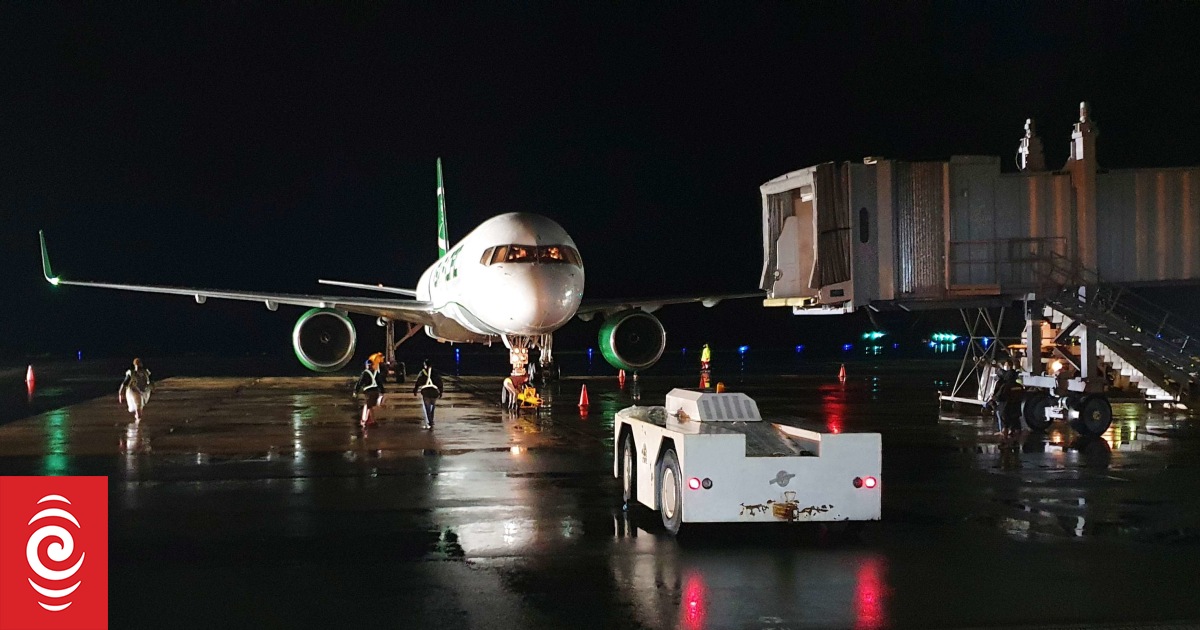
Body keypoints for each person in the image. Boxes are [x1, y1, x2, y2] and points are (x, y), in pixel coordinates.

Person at [118, 358, 153, 422]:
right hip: (133, 391)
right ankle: (138, 418)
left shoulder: (146, 373)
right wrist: (121, 394)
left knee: (140, 405)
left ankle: (138, 417)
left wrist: (151, 388)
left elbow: (149, 382)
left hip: (143, 391)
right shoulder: (132, 374)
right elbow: (124, 384)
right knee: (138, 405)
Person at [412, 358, 444, 429]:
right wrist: (441, 391)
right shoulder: (435, 372)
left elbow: (418, 382)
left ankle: (430, 421)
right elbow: (439, 382)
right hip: (434, 392)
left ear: (425, 365)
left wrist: (415, 390)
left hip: (426, 392)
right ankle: (431, 419)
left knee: (427, 407)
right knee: (432, 407)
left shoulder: (422, 372)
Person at [354, 359, 386, 427]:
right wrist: (382, 391)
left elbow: (360, 383)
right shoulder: (376, 372)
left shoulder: (365, 373)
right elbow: (380, 383)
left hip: (369, 392)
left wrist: (356, 391)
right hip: (376, 392)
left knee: (367, 406)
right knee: (370, 406)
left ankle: (364, 420)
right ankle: (372, 420)